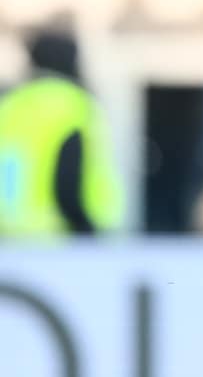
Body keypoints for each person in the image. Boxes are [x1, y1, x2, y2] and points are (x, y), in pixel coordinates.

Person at [0, 25, 123, 238]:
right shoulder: (73, 103)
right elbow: (68, 175)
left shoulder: (10, 104)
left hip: (8, 238)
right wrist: (85, 228)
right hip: (60, 240)